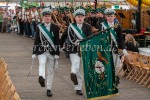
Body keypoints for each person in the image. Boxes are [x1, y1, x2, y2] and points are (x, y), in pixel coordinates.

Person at [32, 8, 60, 97]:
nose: (47, 18)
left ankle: (49, 89)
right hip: (42, 50)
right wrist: (34, 52)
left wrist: (57, 53)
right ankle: (41, 78)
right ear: (43, 17)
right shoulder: (39, 27)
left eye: (49, 16)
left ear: (51, 17)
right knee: (42, 63)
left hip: (52, 51)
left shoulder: (55, 27)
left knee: (51, 70)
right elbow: (36, 40)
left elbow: (57, 41)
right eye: (45, 16)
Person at [67, 9, 92, 95]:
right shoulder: (71, 26)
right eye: (78, 17)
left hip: (84, 50)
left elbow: (90, 37)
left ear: (84, 17)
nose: (80, 18)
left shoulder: (88, 27)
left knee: (81, 71)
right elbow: (69, 37)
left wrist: (83, 43)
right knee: (75, 64)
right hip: (74, 49)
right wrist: (75, 42)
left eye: (81, 17)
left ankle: (78, 88)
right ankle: (73, 73)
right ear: (75, 18)